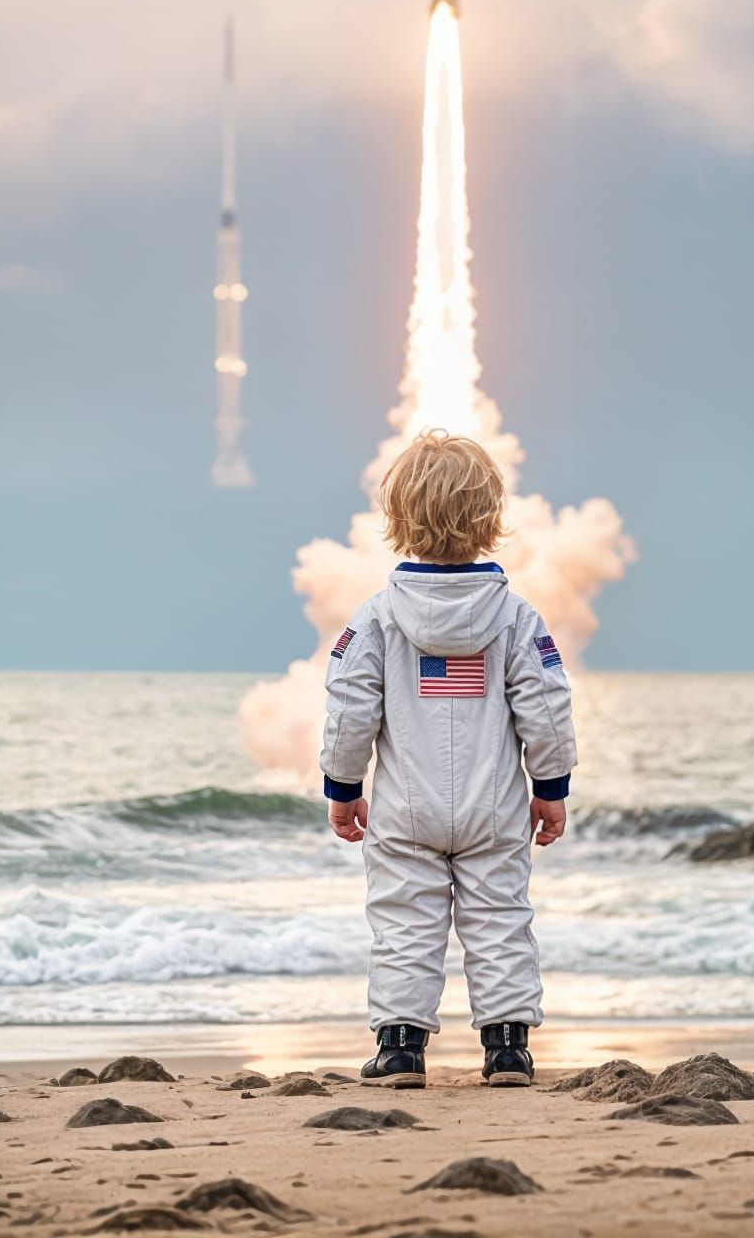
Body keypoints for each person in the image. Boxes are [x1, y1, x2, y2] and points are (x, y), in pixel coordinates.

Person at [320, 430, 576, 1089]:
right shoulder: (517, 619)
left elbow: (350, 708)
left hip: (407, 808)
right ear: (491, 519)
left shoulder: (376, 620)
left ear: (397, 519)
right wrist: (550, 786)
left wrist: (343, 788)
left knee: (405, 919)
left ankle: (401, 1047)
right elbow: (546, 705)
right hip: (495, 805)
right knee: (500, 919)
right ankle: (508, 1048)